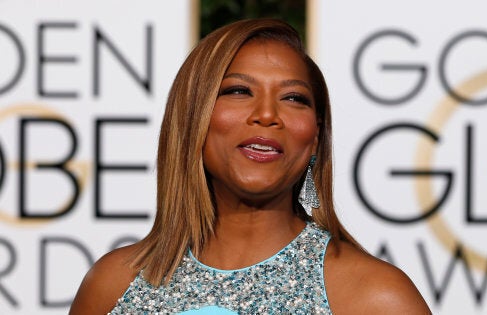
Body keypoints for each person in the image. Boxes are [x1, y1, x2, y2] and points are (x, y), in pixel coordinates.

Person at [69, 18, 432, 314]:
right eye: (239, 91)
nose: (267, 115)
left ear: (316, 137)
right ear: (193, 116)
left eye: (294, 98)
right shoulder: (112, 286)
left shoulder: (374, 298)